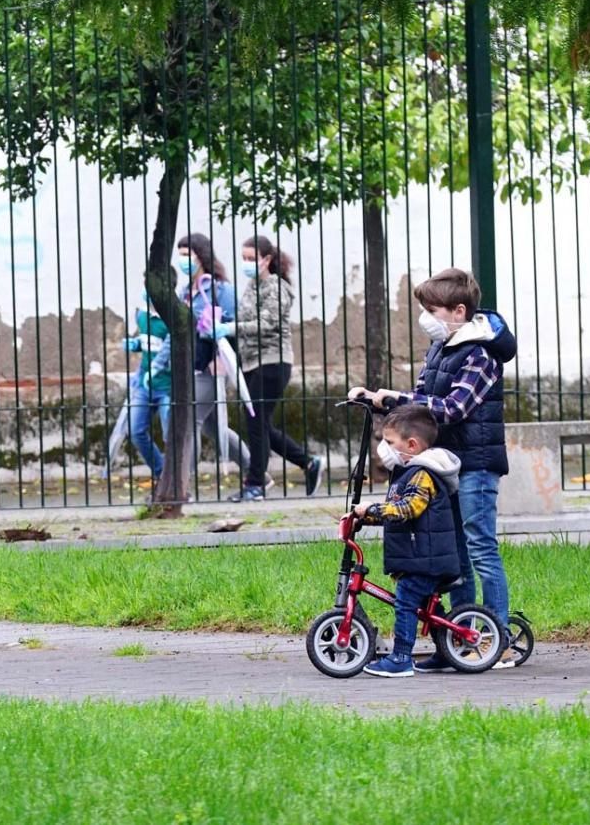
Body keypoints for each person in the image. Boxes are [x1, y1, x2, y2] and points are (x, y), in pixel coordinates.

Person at [349, 267, 518, 672]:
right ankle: (460, 639)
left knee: (479, 547)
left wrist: (394, 400)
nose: (426, 316)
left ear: (458, 310)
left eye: (432, 309)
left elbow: (454, 408)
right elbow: (423, 399)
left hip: (474, 464)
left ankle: (498, 640)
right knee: (454, 556)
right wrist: (381, 400)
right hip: (446, 464)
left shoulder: (481, 353)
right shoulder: (442, 346)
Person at [204, 235, 324, 501]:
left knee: (256, 423)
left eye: (251, 259)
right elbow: (243, 319)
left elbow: (267, 323)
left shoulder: (276, 287)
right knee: (260, 424)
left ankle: (256, 484)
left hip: (272, 361)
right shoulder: (251, 286)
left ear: (267, 259)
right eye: (243, 259)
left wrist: (230, 327)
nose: (246, 263)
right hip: (249, 362)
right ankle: (308, 462)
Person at [353, 405, 461, 678]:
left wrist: (373, 509)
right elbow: (396, 513)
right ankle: (447, 653)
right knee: (430, 609)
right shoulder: (407, 473)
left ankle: (401, 657)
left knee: (406, 600)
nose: (384, 448)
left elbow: (408, 509)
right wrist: (365, 518)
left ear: (411, 445)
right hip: (421, 557)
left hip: (427, 560)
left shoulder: (422, 475)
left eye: (389, 442)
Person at [168, 232, 256, 483]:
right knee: (211, 427)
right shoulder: (186, 291)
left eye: (188, 255)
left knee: (190, 420)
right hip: (193, 363)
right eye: (181, 255)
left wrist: (224, 359)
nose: (184, 261)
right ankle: (256, 472)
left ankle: (182, 483)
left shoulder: (221, 289)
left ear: (201, 256)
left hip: (213, 366)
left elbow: (234, 326)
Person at [122, 291, 171, 479]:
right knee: (135, 431)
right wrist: (135, 344)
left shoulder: (170, 319)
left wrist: (157, 366)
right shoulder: (142, 316)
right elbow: (148, 344)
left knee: (170, 437)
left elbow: (170, 349)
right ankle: (162, 475)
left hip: (168, 386)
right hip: (146, 385)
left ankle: (174, 481)